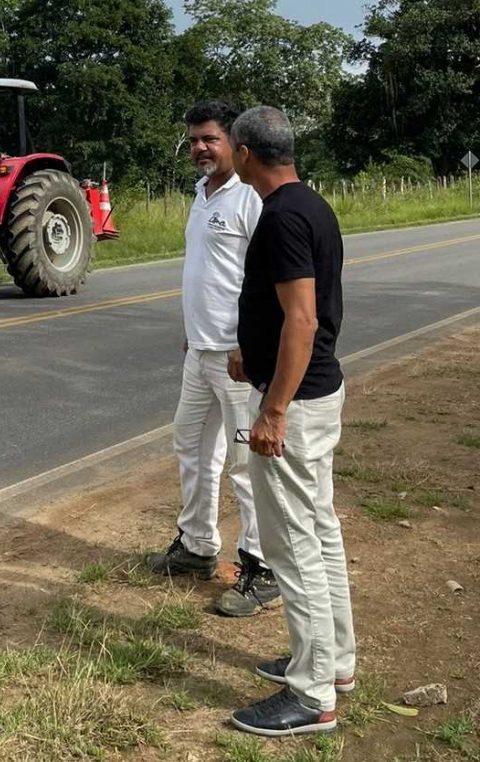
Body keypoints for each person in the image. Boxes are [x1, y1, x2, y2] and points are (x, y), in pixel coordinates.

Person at [227, 105, 355, 737]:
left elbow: (302, 320)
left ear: (247, 153)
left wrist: (272, 410)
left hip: (296, 405)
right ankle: (334, 665)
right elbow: (298, 316)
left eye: (229, 148)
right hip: (315, 392)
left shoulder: (280, 218)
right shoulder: (312, 206)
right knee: (321, 530)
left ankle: (311, 697)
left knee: (293, 546)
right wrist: (251, 356)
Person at [145, 101, 279, 618]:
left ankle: (261, 566)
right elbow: (206, 274)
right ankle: (198, 545)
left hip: (238, 357)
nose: (200, 148)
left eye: (210, 139)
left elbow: (265, 279)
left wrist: (250, 340)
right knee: (192, 446)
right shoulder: (201, 195)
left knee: (246, 464)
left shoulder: (250, 197)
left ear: (235, 144)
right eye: (194, 140)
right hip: (199, 351)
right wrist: (191, 330)